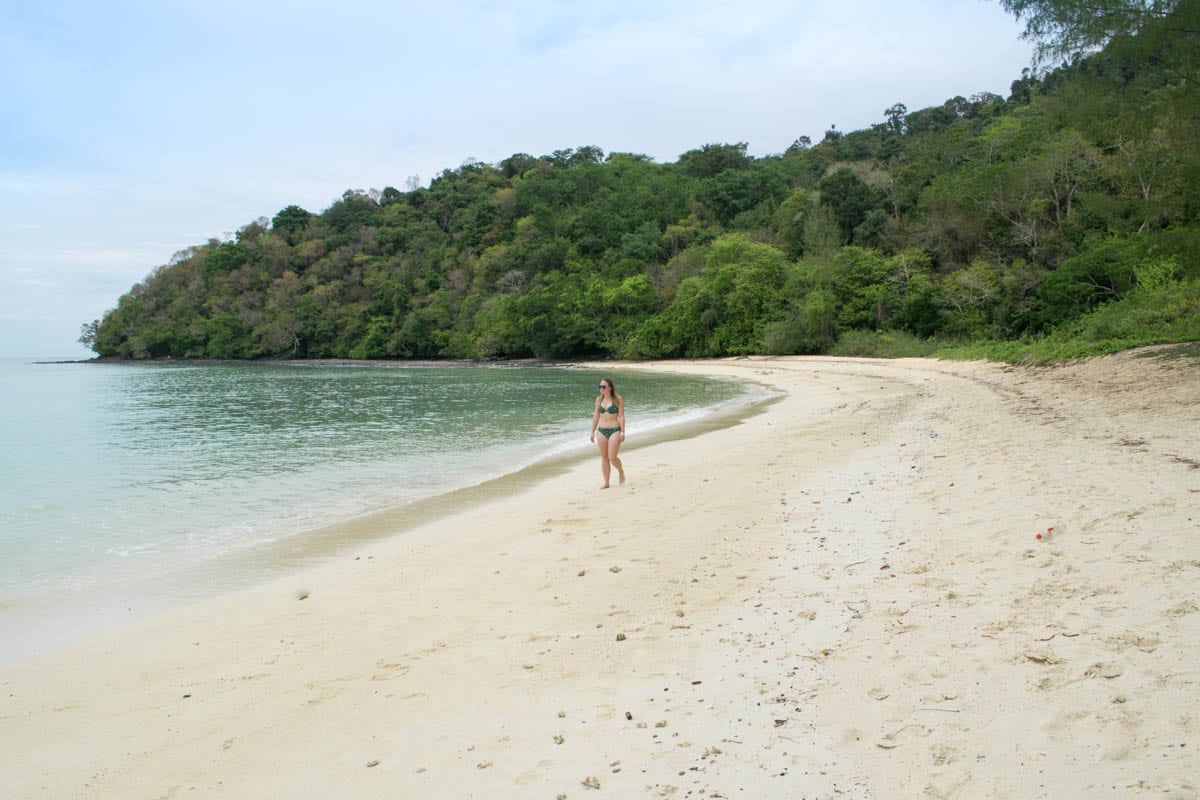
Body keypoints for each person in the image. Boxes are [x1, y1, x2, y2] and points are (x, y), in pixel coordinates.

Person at [589, 377, 626, 489]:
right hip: (601, 431)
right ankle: (606, 482)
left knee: (612, 457)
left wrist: (623, 432)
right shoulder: (598, 400)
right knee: (604, 457)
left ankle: (620, 470)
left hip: (615, 430)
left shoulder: (618, 400)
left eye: (603, 386)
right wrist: (592, 431)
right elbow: (596, 416)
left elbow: (621, 416)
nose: (601, 388)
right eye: (600, 386)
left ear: (610, 387)